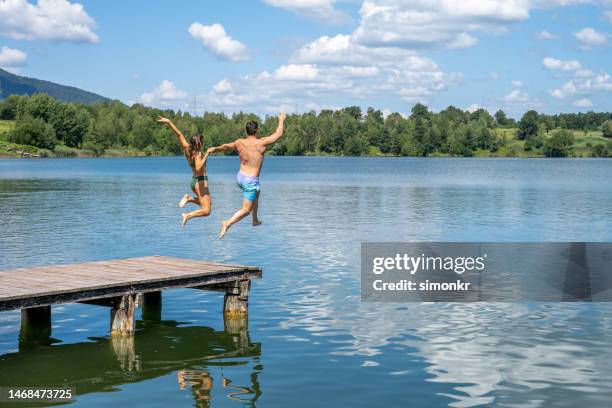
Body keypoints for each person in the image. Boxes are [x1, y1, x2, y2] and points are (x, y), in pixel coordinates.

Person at [207, 112, 286, 239]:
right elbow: (278, 134)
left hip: (240, 177)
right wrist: (281, 120)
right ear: (257, 130)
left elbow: (226, 146)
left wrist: (214, 149)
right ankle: (227, 223)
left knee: (257, 192)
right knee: (245, 210)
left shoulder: (239, 142)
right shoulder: (261, 143)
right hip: (250, 180)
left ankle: (255, 220)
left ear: (246, 131)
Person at [157, 116, 211, 226]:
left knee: (207, 204)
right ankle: (187, 215)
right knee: (206, 211)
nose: (203, 143)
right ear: (198, 143)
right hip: (200, 182)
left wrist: (169, 121)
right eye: (202, 141)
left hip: (194, 181)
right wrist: (207, 154)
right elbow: (198, 167)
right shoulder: (198, 154)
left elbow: (179, 134)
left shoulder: (187, 148)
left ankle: (189, 198)